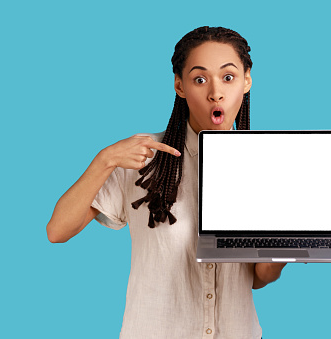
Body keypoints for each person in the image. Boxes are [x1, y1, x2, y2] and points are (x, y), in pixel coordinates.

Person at [47, 26, 286, 339]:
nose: (216, 92)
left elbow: (257, 277)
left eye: (228, 77)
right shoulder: (140, 158)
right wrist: (105, 159)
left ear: (247, 80)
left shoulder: (267, 168)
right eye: (200, 79)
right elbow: (57, 231)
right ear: (180, 85)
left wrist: (289, 246)